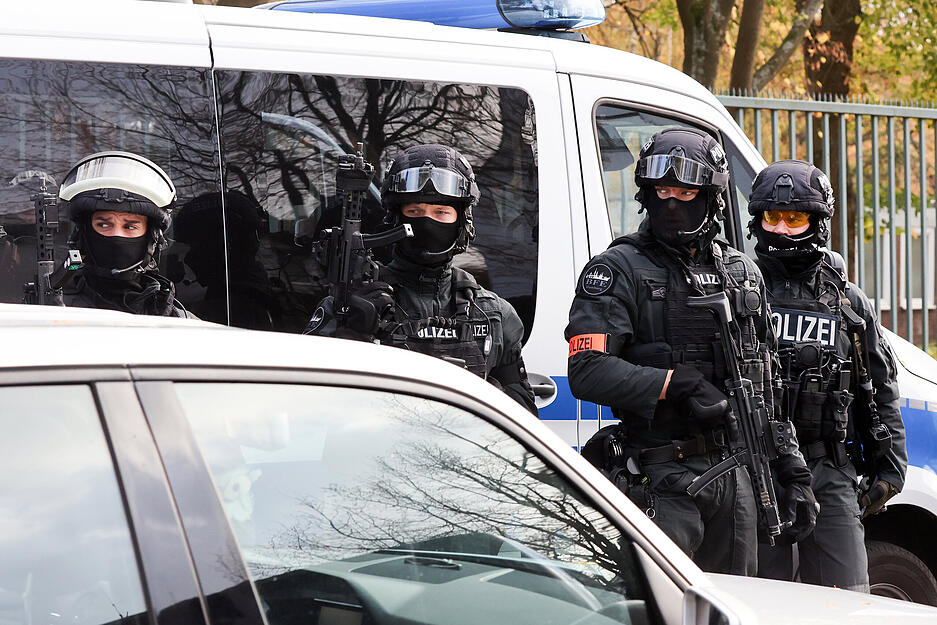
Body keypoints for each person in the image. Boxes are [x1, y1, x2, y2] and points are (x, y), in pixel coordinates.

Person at [565, 127, 817, 575]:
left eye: (685, 191)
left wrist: (793, 473)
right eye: (662, 190)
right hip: (662, 477)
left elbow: (767, 388)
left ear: (712, 197)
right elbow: (587, 370)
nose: (672, 203)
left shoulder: (741, 274)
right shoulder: (617, 268)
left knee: (733, 607)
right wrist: (669, 384)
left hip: (737, 475)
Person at [748, 160, 907, 592]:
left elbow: (880, 384)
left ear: (817, 223)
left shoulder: (847, 300)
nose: (780, 229)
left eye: (794, 218)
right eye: (771, 217)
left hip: (827, 467)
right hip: (756, 467)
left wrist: (891, 468)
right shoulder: (738, 289)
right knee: (763, 600)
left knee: (848, 597)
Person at [304, 143, 536, 413]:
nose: (427, 222)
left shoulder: (494, 314)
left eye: (441, 212)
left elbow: (523, 415)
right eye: (414, 212)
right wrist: (352, 336)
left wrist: (480, 395)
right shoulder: (354, 304)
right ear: (394, 218)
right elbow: (311, 407)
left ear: (462, 221)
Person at [55, 151, 192, 317]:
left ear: (152, 238)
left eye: (130, 227)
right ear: (84, 233)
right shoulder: (52, 311)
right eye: (104, 224)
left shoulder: (182, 322)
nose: (116, 236)